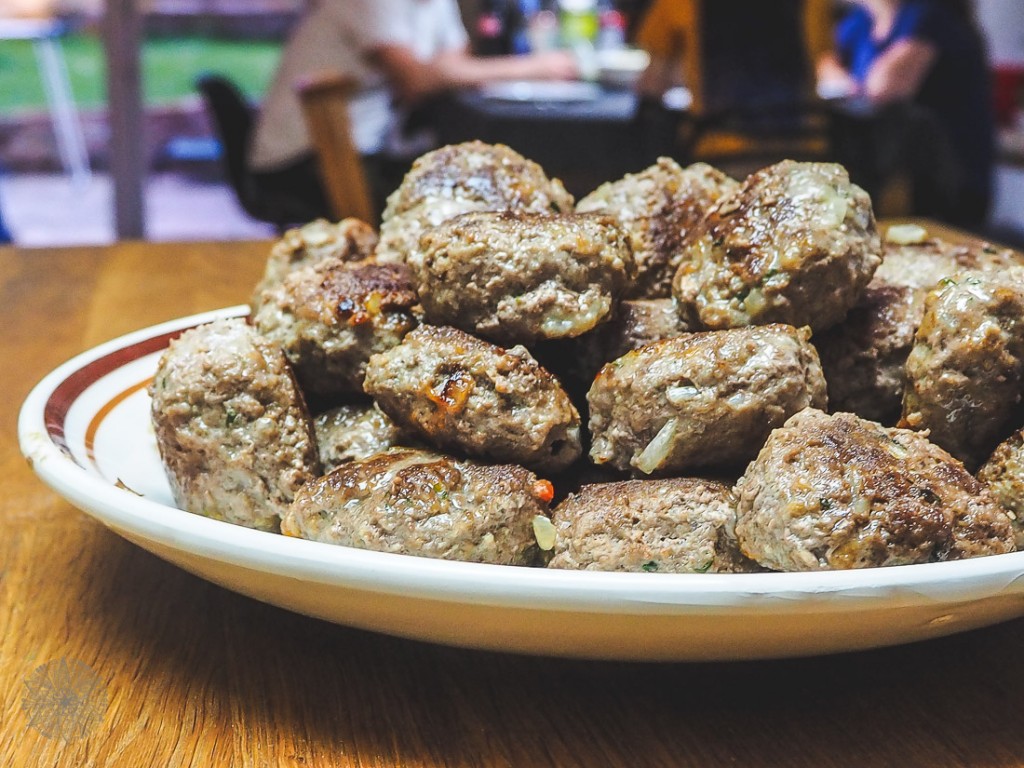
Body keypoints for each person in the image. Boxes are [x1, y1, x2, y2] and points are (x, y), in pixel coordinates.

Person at [249, 0, 578, 215]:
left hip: (369, 148)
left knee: (477, 184)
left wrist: (441, 71)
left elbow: (454, 66)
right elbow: (417, 80)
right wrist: (535, 67)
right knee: (453, 203)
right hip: (308, 156)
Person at [817, 0, 995, 227]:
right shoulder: (859, 22)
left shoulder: (932, 16)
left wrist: (849, 85)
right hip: (882, 170)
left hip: (943, 185)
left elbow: (884, 89)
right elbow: (825, 65)